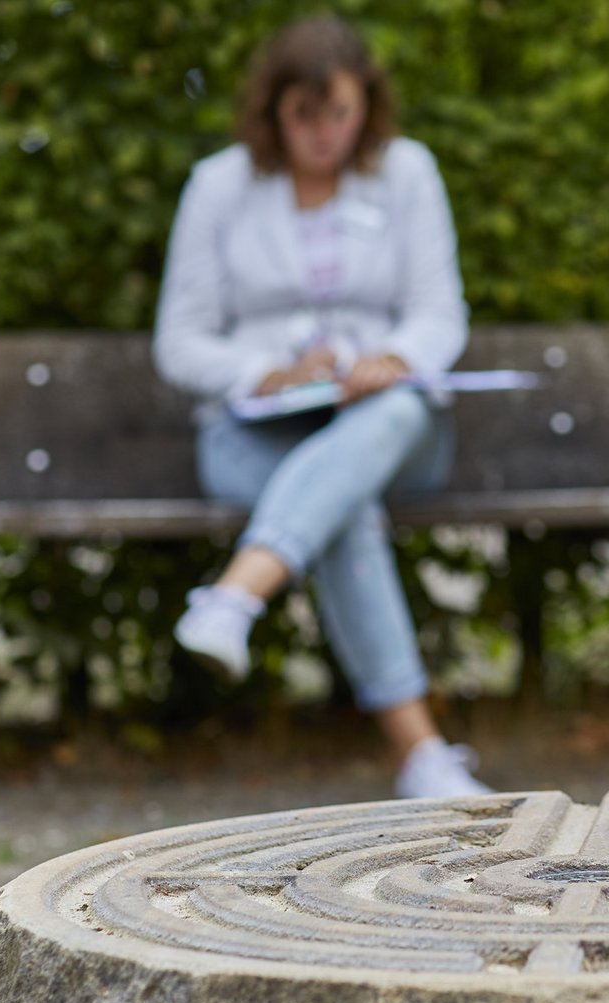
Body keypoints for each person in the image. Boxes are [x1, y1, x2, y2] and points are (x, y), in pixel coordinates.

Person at [152, 14, 490, 799]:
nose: (323, 133)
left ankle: (236, 595)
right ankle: (422, 757)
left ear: (366, 104)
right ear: (273, 111)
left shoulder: (408, 173)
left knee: (394, 415)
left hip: (390, 425)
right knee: (344, 504)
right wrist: (265, 371)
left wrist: (395, 360)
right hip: (254, 436)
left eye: (339, 112)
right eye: (305, 115)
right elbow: (181, 343)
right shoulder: (219, 186)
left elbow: (441, 312)